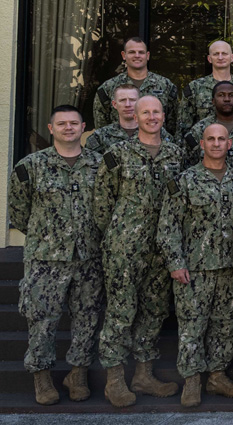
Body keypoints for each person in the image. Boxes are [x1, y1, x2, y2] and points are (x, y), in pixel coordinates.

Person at [94, 96, 185, 407]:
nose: (151, 117)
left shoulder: (176, 153)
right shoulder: (117, 154)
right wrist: (117, 234)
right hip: (124, 247)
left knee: (154, 310)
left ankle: (143, 375)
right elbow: (102, 203)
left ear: (163, 114)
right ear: (135, 113)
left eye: (156, 111)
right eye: (145, 111)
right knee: (121, 311)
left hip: (162, 248)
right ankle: (115, 379)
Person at [9, 105, 103, 405]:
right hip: (45, 259)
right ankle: (42, 378)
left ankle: (77, 374)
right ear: (51, 129)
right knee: (42, 320)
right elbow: (19, 212)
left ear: (83, 127)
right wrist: (47, 236)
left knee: (87, 319)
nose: (68, 128)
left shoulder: (99, 165)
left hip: (88, 256)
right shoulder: (30, 166)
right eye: (61, 124)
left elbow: (106, 207)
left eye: (73, 123)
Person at [156, 123, 233, 407]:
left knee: (225, 325)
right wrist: (175, 263)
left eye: (222, 139)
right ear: (202, 144)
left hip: (230, 267)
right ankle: (192, 380)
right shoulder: (184, 181)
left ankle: (218, 376)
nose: (217, 143)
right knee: (192, 327)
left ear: (229, 144)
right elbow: (167, 225)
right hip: (194, 268)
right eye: (211, 139)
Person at [93, 37, 179, 135]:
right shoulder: (108, 88)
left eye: (141, 52)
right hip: (119, 147)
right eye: (132, 52)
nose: (137, 56)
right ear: (124, 55)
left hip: (156, 146)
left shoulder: (165, 86)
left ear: (147, 56)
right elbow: (101, 125)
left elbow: (174, 124)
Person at [178, 40, 233, 137]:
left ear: (232, 57)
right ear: (209, 59)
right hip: (205, 147)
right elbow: (183, 127)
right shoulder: (195, 88)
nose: (220, 57)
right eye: (216, 54)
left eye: (224, 53)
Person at [185, 80, 233, 178]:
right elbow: (189, 163)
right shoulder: (200, 129)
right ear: (213, 101)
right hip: (207, 188)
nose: (227, 99)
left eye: (231, 95)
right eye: (221, 95)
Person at [87, 84, 164, 154]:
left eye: (132, 100)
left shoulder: (159, 134)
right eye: (122, 100)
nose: (128, 105)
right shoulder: (100, 136)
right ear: (114, 104)